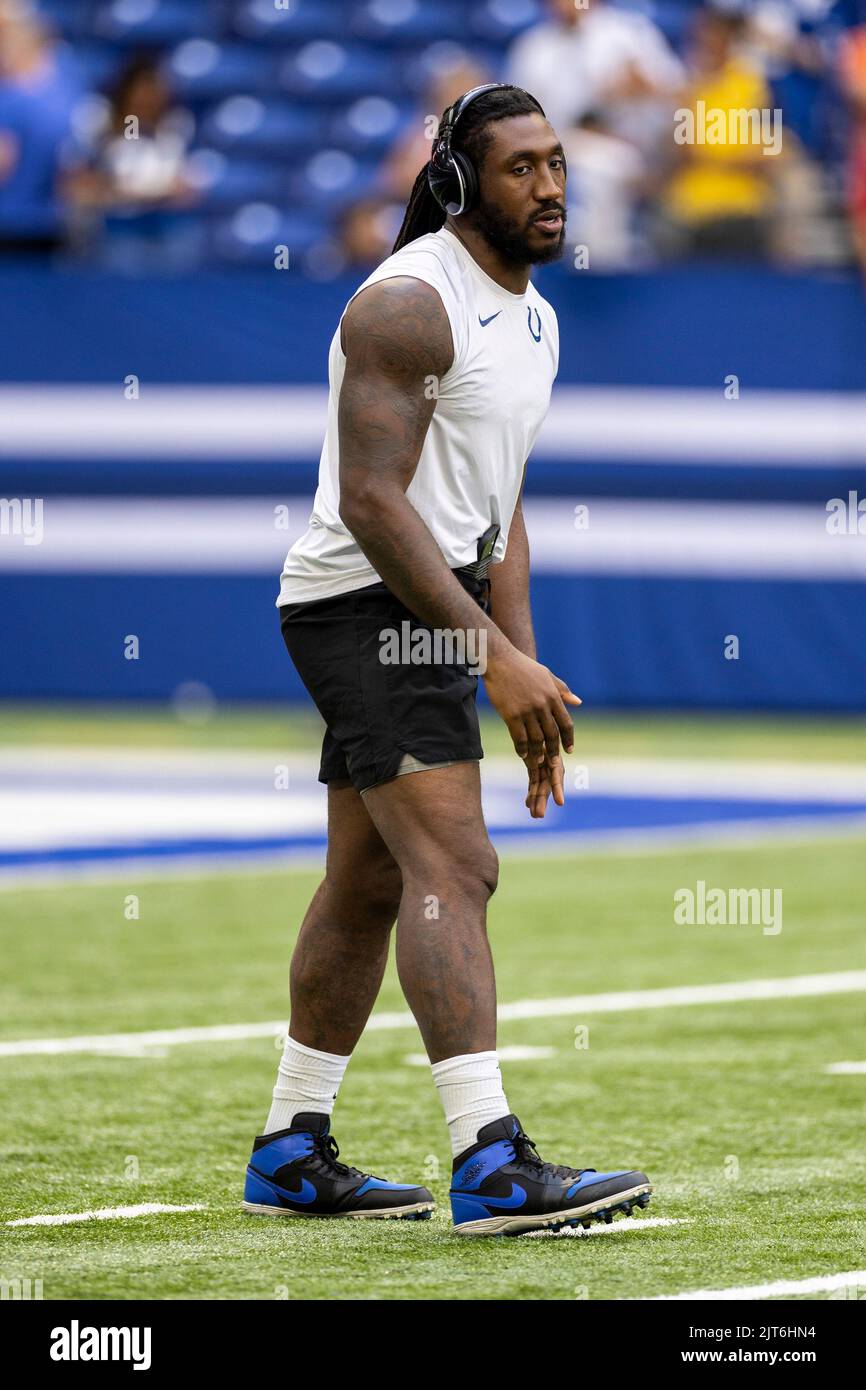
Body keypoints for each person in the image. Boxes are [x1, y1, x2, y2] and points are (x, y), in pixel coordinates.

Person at [242, 83, 652, 1237]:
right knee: (457, 866)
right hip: (363, 599)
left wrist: (514, 665)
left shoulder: (534, 317)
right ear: (464, 183)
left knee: (375, 878)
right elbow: (375, 501)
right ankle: (488, 1155)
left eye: (557, 162)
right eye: (520, 167)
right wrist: (488, 656)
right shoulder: (411, 304)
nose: (552, 186)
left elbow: (498, 509)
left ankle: (289, 1145)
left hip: (427, 599)